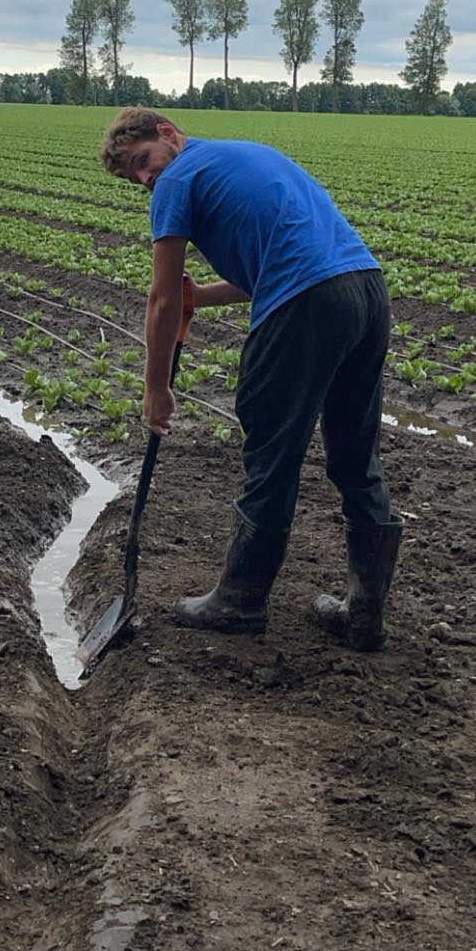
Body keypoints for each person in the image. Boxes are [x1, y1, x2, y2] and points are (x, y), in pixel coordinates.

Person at [99, 110, 402, 648]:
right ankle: (364, 614)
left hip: (305, 305)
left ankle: (239, 601)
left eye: (142, 162)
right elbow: (268, 269)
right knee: (356, 455)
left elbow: (162, 298)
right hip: (366, 292)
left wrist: (155, 388)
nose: (146, 180)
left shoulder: (179, 177)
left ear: (167, 133)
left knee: (271, 451)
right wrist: (205, 297)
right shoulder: (244, 155)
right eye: (133, 178)